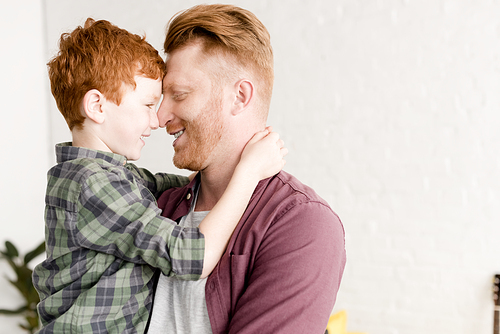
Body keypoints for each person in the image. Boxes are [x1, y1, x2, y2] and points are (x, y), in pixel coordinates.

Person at [32, 18, 287, 333]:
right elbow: (192, 257)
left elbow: (168, 185)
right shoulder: (94, 185)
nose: (157, 120)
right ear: (97, 106)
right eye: (148, 104)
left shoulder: (102, 176)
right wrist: (248, 172)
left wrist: (225, 169)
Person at [147, 4, 346, 334]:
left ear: (239, 97)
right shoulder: (158, 206)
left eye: (179, 95)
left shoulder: (304, 226)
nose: (159, 117)